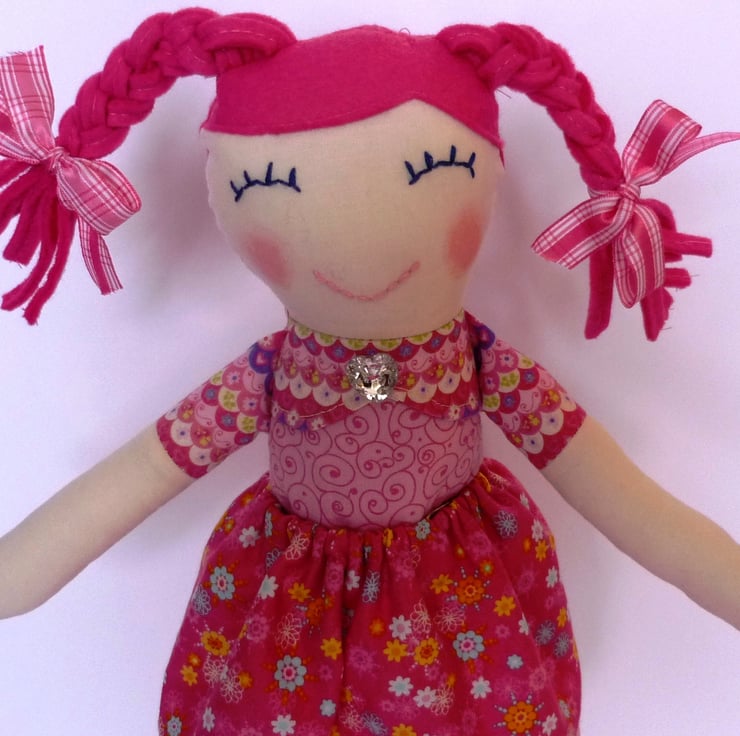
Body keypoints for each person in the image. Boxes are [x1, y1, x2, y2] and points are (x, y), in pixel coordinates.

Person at [1, 10, 738, 735]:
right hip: (290, 618)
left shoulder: (479, 365)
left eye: (434, 173)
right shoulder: (274, 373)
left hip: (458, 616)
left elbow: (618, 494)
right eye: (272, 184)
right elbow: (145, 469)